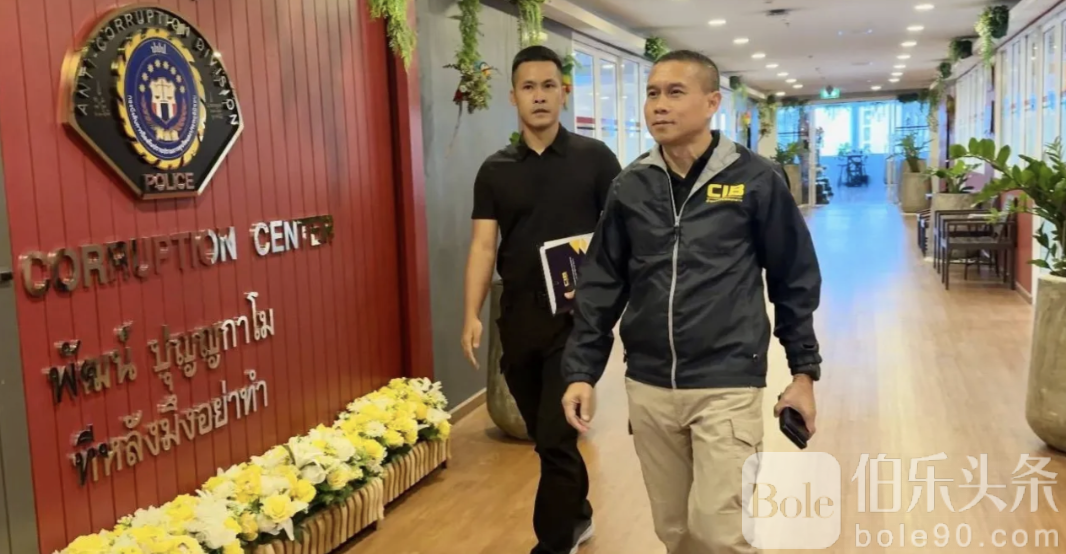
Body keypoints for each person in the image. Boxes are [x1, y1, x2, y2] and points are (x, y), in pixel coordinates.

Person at [559, 50, 823, 554]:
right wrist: (581, 372)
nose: (659, 105)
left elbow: (793, 277)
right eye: (652, 93)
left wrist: (803, 373)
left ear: (711, 103)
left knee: (721, 533)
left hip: (727, 381)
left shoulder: (755, 179)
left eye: (675, 92)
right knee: (676, 532)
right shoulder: (630, 186)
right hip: (650, 384)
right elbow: (601, 285)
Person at [461, 45, 622, 554]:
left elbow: (622, 234)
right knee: (546, 433)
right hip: (519, 317)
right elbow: (483, 246)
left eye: (548, 86)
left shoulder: (595, 159)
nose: (539, 96)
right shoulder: (495, 170)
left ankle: (553, 542)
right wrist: (470, 314)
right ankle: (578, 514)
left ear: (564, 93)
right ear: (513, 97)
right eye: (528, 87)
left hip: (577, 320)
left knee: (554, 435)